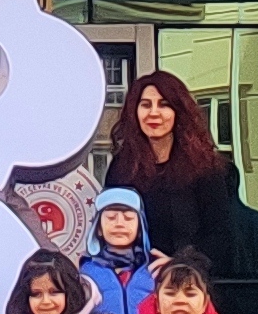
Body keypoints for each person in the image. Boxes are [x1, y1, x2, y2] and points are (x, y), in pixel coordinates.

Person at [101, 70, 244, 275]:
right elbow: (111, 226)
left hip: (188, 283)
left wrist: (178, 263)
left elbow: (220, 236)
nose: (154, 113)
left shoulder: (206, 168)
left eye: (164, 104)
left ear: (179, 111)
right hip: (136, 281)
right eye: (146, 105)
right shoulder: (122, 168)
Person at [82, 188, 164, 314]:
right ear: (99, 229)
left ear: (140, 228)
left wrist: (176, 269)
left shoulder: (156, 269)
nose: (119, 223)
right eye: (111, 217)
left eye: (129, 218)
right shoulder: (84, 272)